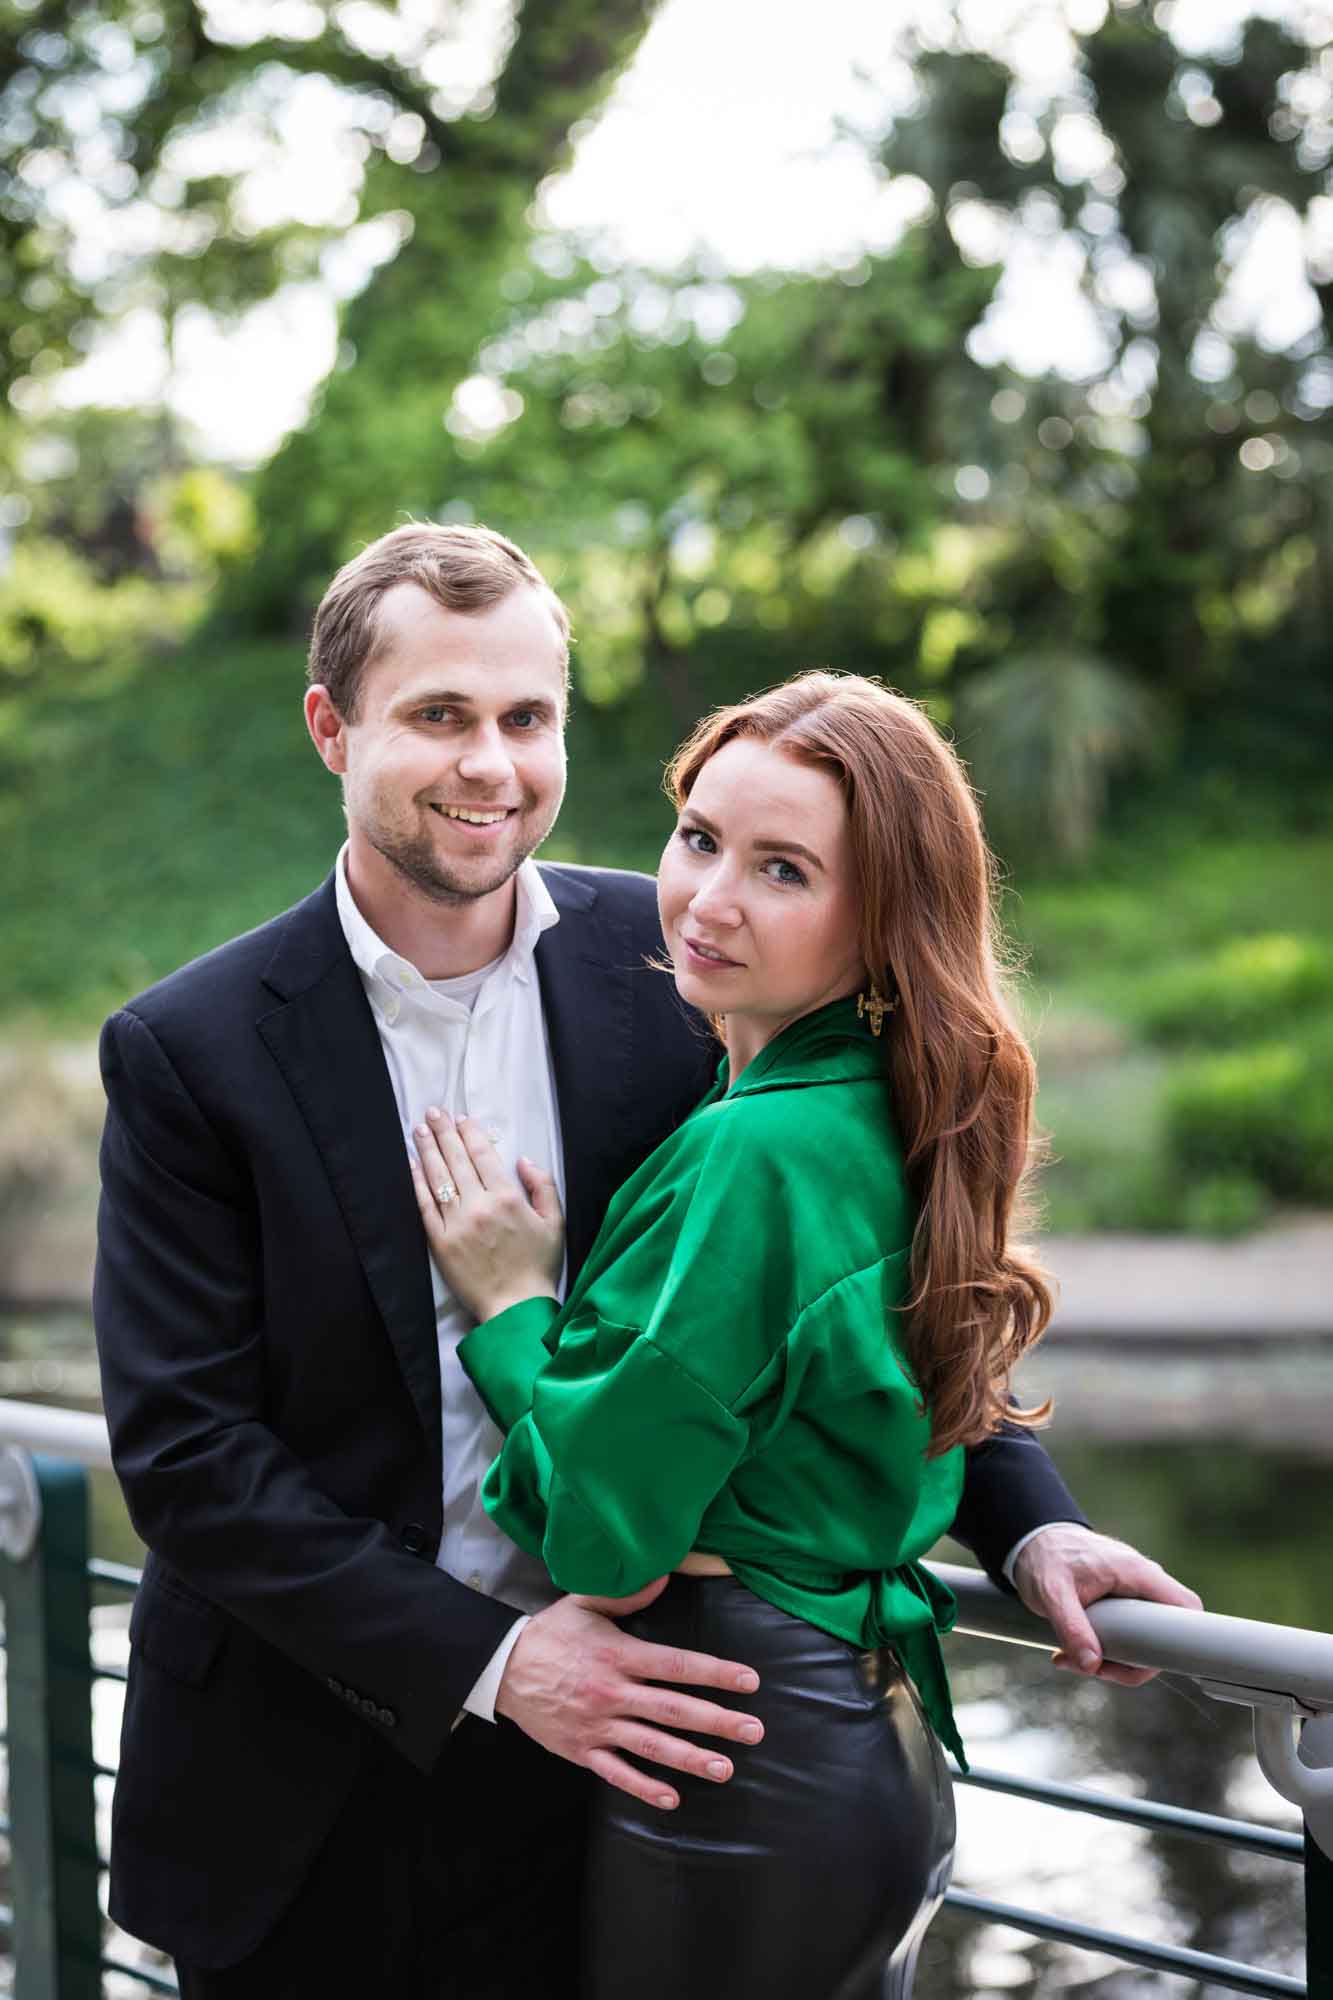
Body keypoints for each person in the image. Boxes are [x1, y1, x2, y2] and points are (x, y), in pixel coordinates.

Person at [94, 523, 1199, 1998]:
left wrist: (1027, 1523)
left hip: (636, 1767)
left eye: (525, 717)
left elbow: (861, 1281)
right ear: (330, 729)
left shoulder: (687, 954)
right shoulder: (191, 1047)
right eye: (438, 716)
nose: (490, 762)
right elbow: (185, 1456)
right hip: (304, 1788)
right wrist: (488, 1663)